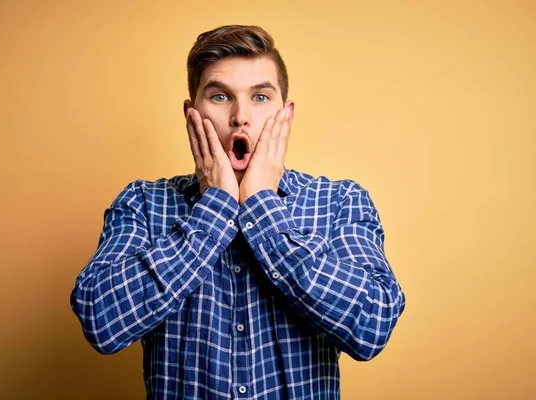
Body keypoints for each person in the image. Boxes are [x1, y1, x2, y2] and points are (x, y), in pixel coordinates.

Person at [70, 25, 405, 399]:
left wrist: (262, 203)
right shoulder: (143, 204)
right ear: (192, 114)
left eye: (260, 97)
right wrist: (215, 208)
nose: (240, 117)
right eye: (219, 96)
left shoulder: (340, 201)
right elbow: (101, 321)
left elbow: (372, 326)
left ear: (285, 115)